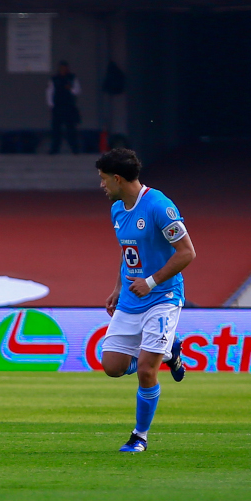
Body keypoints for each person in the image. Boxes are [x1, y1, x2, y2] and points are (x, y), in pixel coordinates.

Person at [96, 148, 194, 453]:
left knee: (145, 371)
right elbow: (128, 253)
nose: (101, 186)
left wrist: (151, 281)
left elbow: (187, 252)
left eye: (103, 179)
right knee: (111, 366)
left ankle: (139, 436)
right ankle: (169, 349)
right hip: (130, 298)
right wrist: (117, 287)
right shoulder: (117, 209)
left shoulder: (159, 207)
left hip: (163, 297)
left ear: (117, 178)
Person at [46, 61, 81, 154]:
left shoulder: (72, 78)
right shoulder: (54, 79)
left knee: (71, 129)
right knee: (56, 130)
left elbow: (77, 91)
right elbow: (50, 92)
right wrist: (51, 105)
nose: (63, 70)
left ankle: (75, 150)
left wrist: (70, 88)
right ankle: (54, 150)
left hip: (69, 107)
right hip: (58, 108)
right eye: (61, 68)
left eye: (65, 68)